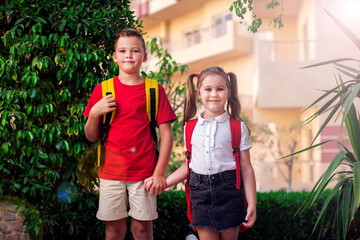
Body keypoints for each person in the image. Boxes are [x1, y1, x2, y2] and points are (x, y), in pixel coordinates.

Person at [83, 28, 177, 240]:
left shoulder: (154, 90)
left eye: (135, 50)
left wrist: (159, 173)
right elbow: (91, 136)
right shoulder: (103, 89)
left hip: (145, 174)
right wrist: (93, 114)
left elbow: (167, 135)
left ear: (144, 56)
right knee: (114, 231)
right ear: (115, 56)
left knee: (142, 230)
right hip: (110, 172)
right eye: (123, 50)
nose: (128, 55)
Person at [146, 66, 256, 240]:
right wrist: (165, 183)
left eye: (220, 89)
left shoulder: (238, 127)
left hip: (230, 193)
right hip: (200, 194)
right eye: (208, 89)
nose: (214, 94)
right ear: (198, 93)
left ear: (228, 92)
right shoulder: (190, 128)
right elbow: (189, 165)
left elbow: (247, 169)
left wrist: (252, 203)